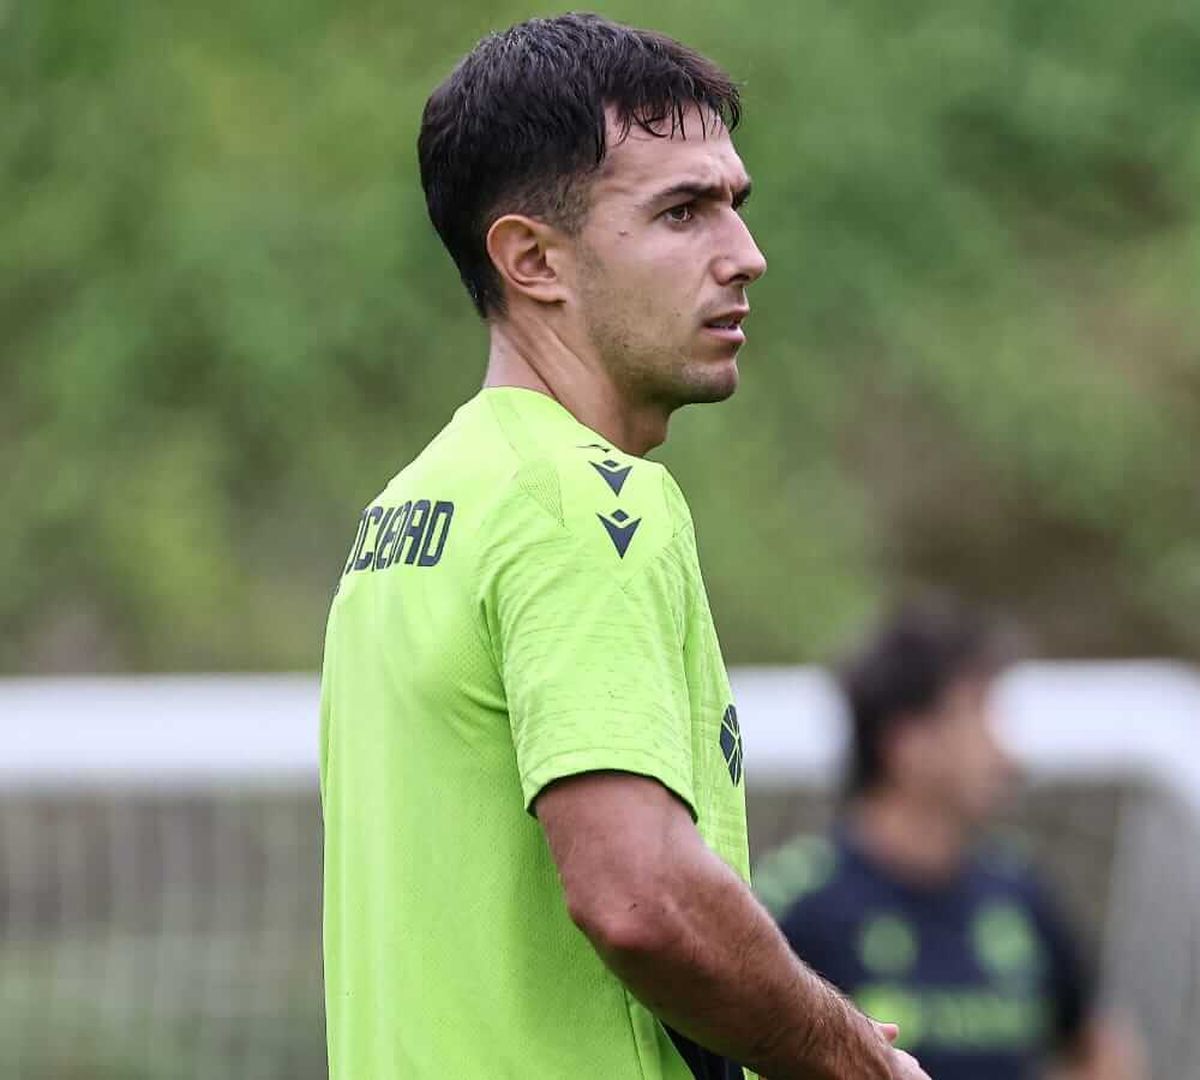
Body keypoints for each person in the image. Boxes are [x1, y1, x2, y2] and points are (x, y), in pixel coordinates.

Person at [319, 15, 926, 1080]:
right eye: (683, 211)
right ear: (532, 260)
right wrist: (846, 1059)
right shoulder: (587, 502)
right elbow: (640, 898)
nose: (746, 256)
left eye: (734, 205)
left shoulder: (412, 510)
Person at [756, 601, 1146, 1080]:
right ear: (907, 741)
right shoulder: (797, 904)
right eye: (978, 714)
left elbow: (1099, 1046)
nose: (1006, 755)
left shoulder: (1020, 893)